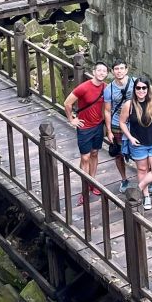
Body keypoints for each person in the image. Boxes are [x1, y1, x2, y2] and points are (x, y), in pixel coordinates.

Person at [119, 76, 152, 211]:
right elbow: (122, 122)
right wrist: (130, 137)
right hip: (137, 142)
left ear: (148, 89)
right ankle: (146, 196)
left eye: (144, 88)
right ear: (134, 89)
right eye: (138, 88)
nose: (141, 90)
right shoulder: (129, 105)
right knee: (142, 169)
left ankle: (138, 188)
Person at [63, 61, 109, 204]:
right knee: (85, 157)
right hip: (84, 127)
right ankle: (84, 189)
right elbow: (67, 103)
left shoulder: (106, 88)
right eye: (99, 70)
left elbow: (108, 107)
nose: (101, 73)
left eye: (104, 71)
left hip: (98, 126)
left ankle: (92, 183)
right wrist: (71, 119)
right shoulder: (84, 87)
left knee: (95, 153)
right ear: (94, 71)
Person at [103, 59, 135, 192]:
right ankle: (124, 179)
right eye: (116, 69)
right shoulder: (109, 89)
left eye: (122, 68)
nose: (119, 71)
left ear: (126, 70)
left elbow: (150, 95)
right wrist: (109, 131)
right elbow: (107, 110)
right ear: (112, 71)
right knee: (119, 154)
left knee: (140, 152)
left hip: (134, 123)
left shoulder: (135, 82)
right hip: (117, 123)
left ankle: (146, 180)